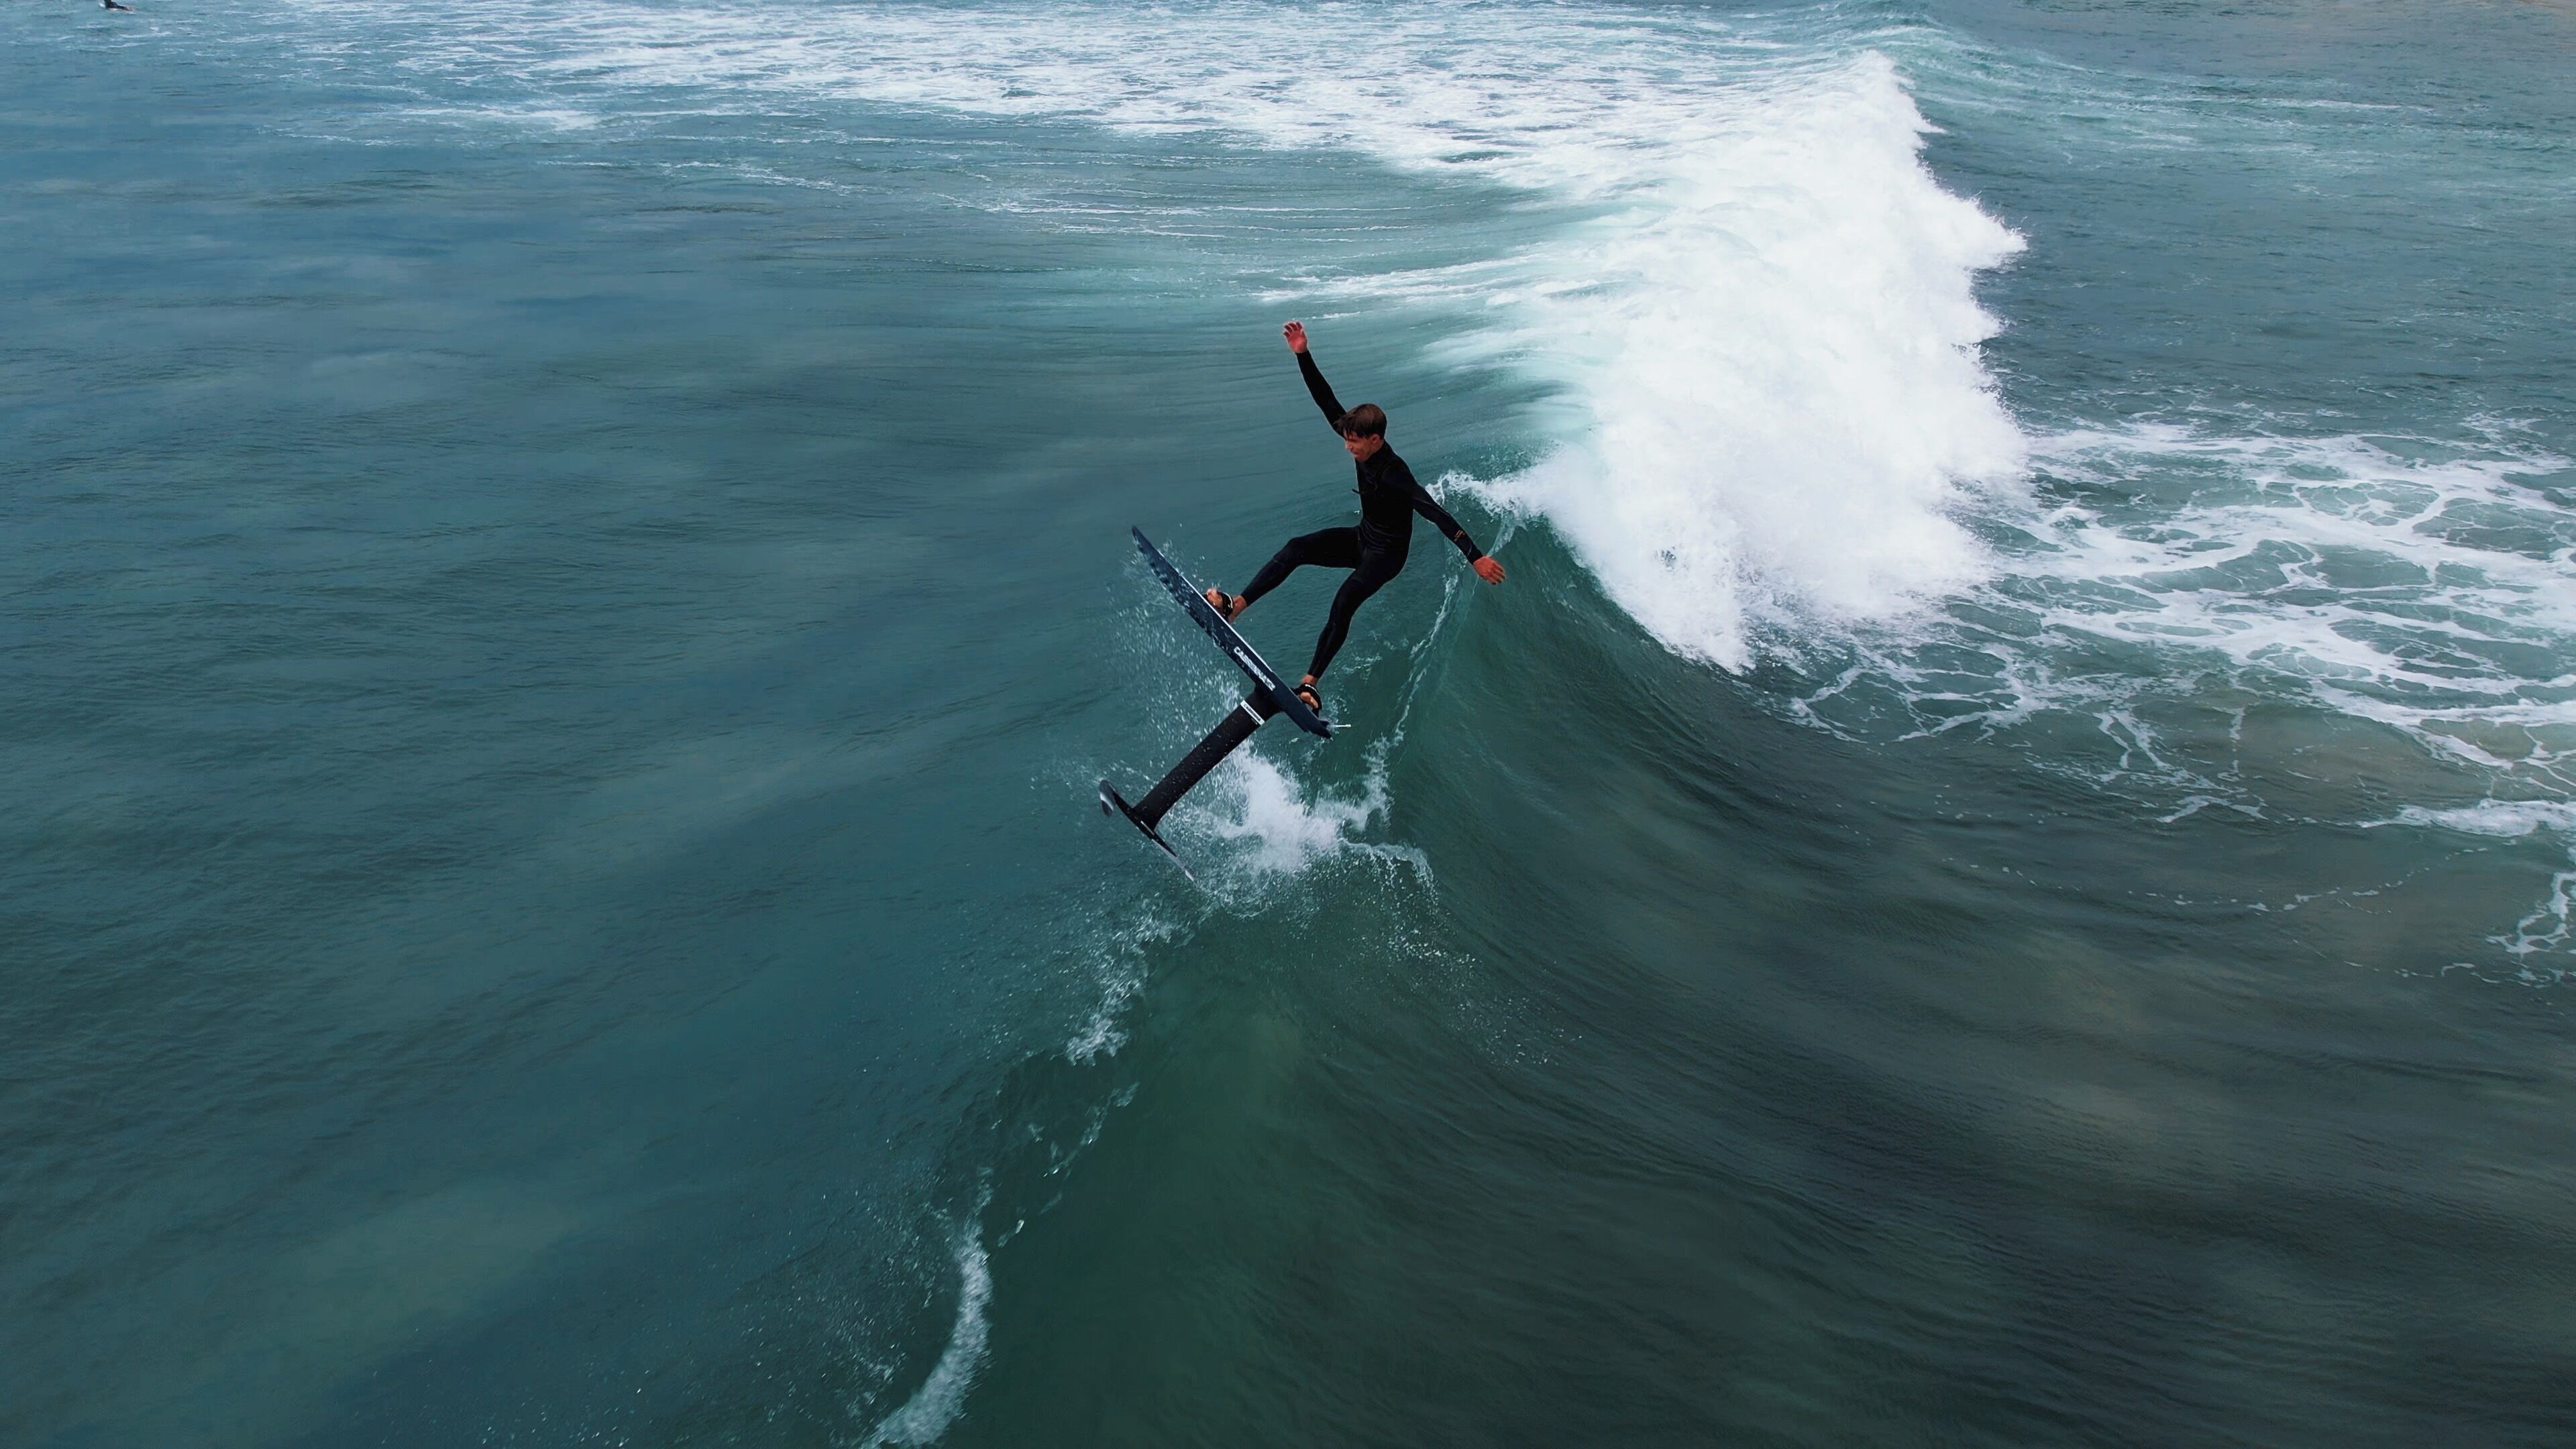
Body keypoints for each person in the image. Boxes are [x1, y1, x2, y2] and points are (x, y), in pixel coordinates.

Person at [1204, 321, 1506, 714]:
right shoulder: (1358, 439)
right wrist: (1303, 354)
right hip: (1363, 539)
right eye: (1346, 440)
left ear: (1375, 440)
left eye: (1355, 443)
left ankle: (1310, 686)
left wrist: (1475, 557)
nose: (1348, 448)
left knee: (1345, 599)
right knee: (1296, 548)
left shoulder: (1395, 474)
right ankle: (1235, 607)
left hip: (1387, 557)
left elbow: (1436, 513)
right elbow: (1325, 399)